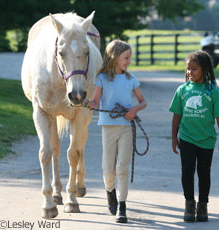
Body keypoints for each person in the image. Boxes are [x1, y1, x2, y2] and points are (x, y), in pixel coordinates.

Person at [84, 39, 147, 223]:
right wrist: (88, 103)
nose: (129, 61)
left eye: (129, 58)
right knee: (108, 168)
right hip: (108, 128)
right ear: (114, 57)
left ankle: (122, 205)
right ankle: (110, 190)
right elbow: (95, 102)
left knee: (122, 167)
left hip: (126, 128)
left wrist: (134, 109)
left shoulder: (131, 79)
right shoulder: (102, 79)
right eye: (126, 57)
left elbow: (143, 102)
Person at [169, 51, 219, 222]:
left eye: (194, 69)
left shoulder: (213, 92)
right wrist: (174, 137)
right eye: (188, 69)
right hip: (187, 138)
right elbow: (176, 115)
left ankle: (202, 205)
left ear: (205, 69)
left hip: (207, 140)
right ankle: (189, 203)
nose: (190, 73)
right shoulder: (182, 90)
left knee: (204, 173)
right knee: (187, 171)